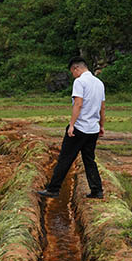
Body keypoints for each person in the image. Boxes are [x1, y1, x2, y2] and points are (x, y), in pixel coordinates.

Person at [38, 57, 105, 199]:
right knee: (89, 160)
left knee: (65, 158)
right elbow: (102, 107)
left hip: (80, 127)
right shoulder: (99, 83)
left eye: (72, 72)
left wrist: (72, 125)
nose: (73, 75)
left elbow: (78, 104)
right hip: (93, 129)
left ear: (76, 68)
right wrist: (101, 125)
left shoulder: (80, 82)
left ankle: (53, 189)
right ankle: (97, 190)